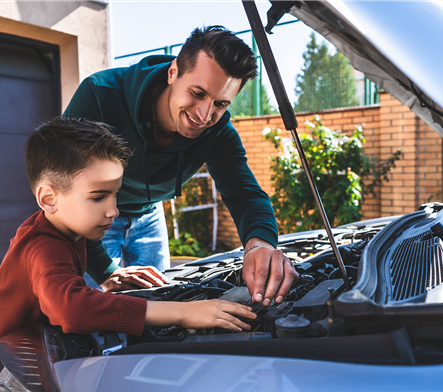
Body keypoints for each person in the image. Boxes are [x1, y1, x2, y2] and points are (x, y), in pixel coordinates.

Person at [0, 118, 256, 392]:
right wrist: (183, 312)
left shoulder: (66, 229)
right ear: (48, 199)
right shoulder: (43, 245)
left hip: (16, 356)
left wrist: (102, 292)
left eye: (115, 194)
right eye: (98, 197)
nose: (113, 210)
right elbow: (70, 310)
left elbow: (52, 294)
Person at [63, 26, 299, 306]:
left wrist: (260, 245)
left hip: (150, 216)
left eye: (220, 103)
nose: (204, 115)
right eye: (198, 93)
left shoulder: (219, 130)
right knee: (94, 317)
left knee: (165, 307)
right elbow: (66, 192)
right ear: (173, 71)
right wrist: (105, 271)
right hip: (93, 221)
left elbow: (244, 193)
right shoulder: (100, 96)